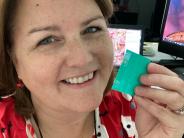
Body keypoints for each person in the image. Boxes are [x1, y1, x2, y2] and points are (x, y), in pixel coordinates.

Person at [0, 0, 184, 138]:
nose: (82, 59)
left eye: (92, 29)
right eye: (47, 40)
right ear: (14, 60)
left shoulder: (143, 111)